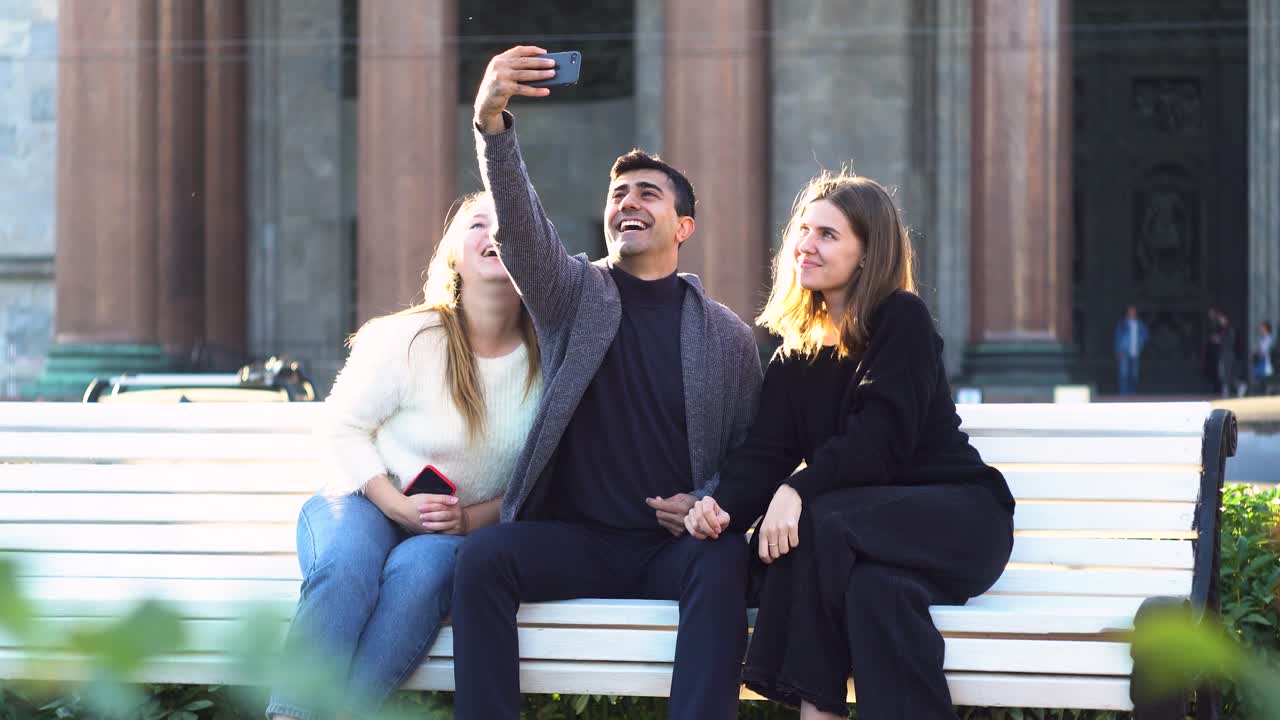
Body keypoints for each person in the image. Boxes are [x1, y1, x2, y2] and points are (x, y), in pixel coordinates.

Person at [449, 46, 763, 720]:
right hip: (578, 542)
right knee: (483, 560)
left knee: (722, 562)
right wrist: (492, 124)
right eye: (618, 193)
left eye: (648, 193)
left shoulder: (727, 335)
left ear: (684, 226)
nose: (628, 202)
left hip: (672, 549)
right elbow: (524, 233)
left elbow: (749, 454)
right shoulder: (576, 294)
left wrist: (707, 503)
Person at [685, 172, 1015, 720]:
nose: (806, 245)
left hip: (958, 521)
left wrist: (798, 489)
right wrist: (719, 508)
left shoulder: (900, 319)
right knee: (875, 599)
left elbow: (879, 442)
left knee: (815, 524)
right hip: (870, 546)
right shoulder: (795, 356)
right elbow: (764, 454)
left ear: (868, 254)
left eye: (828, 235)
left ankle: (818, 714)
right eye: (803, 230)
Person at [265, 192, 542, 720]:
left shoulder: (550, 358)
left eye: (509, 225)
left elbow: (548, 476)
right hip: (363, 498)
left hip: (455, 529)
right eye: (478, 224)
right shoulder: (409, 337)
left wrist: (468, 519)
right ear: (454, 255)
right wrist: (394, 505)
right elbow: (342, 428)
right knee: (347, 566)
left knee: (420, 578)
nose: (494, 235)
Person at [1113, 305, 1149, 395]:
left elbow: (1145, 335)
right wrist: (1118, 350)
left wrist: (1140, 345)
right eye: (1130, 311)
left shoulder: (1139, 324)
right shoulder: (1122, 324)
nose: (1132, 313)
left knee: (1134, 375)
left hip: (1135, 352)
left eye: (1133, 311)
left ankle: (1132, 394)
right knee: (1123, 374)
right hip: (1124, 352)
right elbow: (1118, 337)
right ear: (1127, 312)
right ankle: (1123, 394)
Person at [1253, 321, 1274, 385]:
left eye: (1262, 328)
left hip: (1266, 359)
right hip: (1260, 359)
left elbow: (1265, 350)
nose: (1260, 329)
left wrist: (1260, 353)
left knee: (1265, 375)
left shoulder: (1269, 338)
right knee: (1258, 375)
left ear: (1266, 328)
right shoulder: (1262, 338)